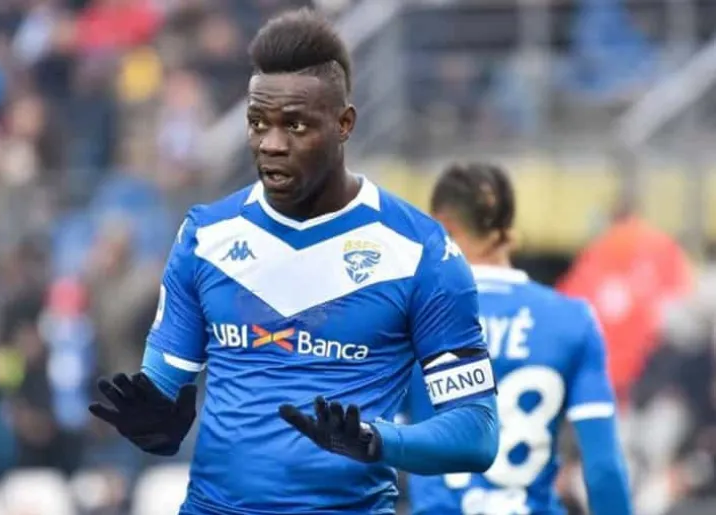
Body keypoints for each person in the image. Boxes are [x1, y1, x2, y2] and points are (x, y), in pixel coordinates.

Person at [89, 9, 499, 515]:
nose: (271, 144)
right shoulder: (206, 236)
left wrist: (378, 441)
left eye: (295, 125)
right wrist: (154, 427)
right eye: (257, 123)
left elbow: (477, 432)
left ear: (345, 124)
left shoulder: (421, 252)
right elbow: (160, 390)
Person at [403, 163, 632, 515]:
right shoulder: (572, 319)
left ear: (442, 226)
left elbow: (361, 454)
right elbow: (603, 469)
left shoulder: (409, 320)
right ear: (507, 225)